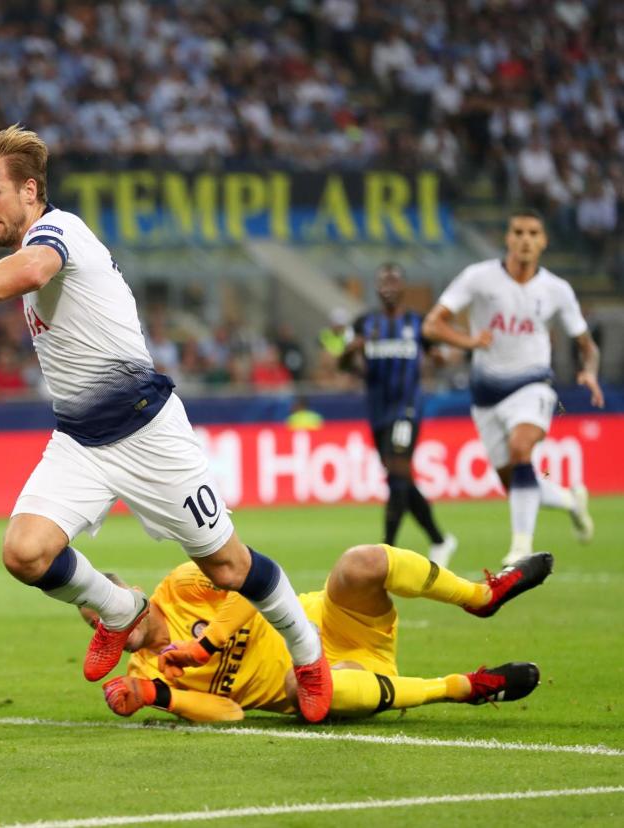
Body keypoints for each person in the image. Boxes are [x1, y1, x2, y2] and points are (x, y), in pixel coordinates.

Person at [0, 125, 335, 722]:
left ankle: (308, 653)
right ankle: (122, 611)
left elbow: (33, 272)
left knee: (229, 567)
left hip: (147, 431)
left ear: (30, 190)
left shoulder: (60, 233)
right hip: (81, 441)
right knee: (24, 553)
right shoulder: (31, 246)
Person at [94, 544, 551, 723]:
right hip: (325, 679)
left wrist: (208, 642)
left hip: (334, 618)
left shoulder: (181, 586)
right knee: (305, 686)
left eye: (107, 608)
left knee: (361, 561)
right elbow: (230, 713)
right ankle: (465, 687)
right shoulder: (149, 673)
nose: (106, 622)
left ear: (131, 593)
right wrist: (157, 697)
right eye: (95, 623)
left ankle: (480, 596)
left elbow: (252, 582)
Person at [423, 209, 601, 565]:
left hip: (533, 384)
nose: (524, 239)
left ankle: (521, 547)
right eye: (518, 231)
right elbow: (431, 325)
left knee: (522, 448)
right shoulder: (478, 278)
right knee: (516, 482)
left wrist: (590, 372)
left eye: (533, 233)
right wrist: (469, 342)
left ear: (543, 241)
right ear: (507, 238)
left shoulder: (557, 290)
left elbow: (587, 345)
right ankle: (570, 500)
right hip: (486, 397)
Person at [339, 264, 457, 565]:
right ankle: (439, 539)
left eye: (394, 281)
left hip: (408, 408)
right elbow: (344, 365)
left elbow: (439, 356)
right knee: (397, 477)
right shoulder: (364, 323)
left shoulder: (418, 323)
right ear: (376, 289)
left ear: (404, 287)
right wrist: (351, 351)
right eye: (383, 282)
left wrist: (441, 358)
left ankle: (387, 550)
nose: (389, 287)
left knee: (398, 470)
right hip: (378, 411)